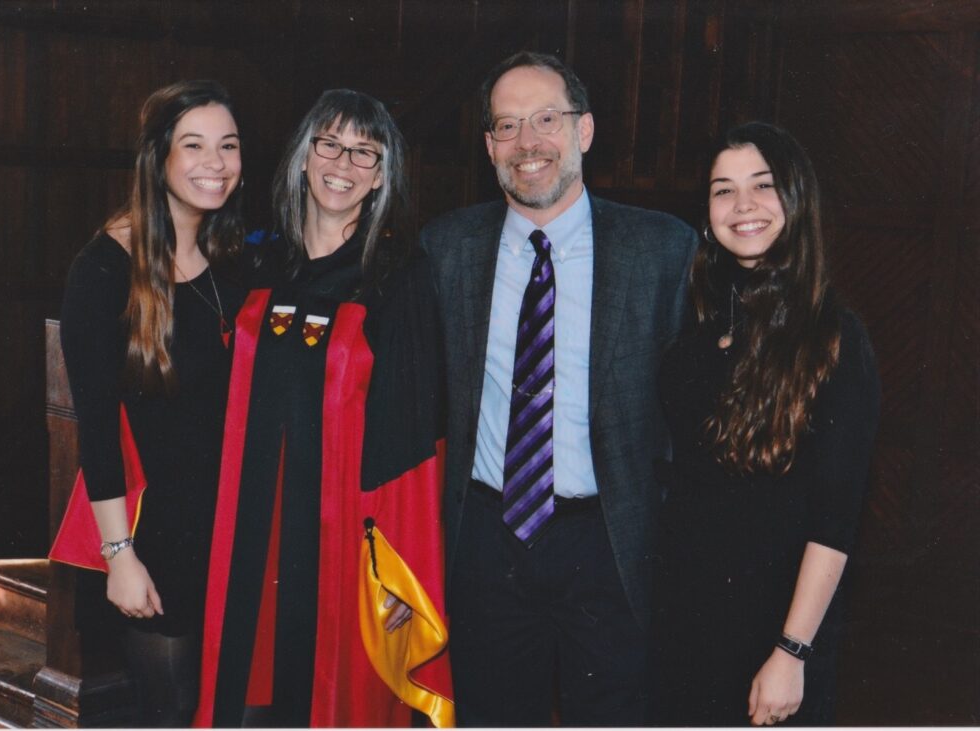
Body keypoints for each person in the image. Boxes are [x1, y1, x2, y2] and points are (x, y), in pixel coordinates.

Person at [420, 51, 697, 726]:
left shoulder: (663, 250)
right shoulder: (444, 249)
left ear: (585, 130)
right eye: (507, 126)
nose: (528, 143)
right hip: (488, 539)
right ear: (489, 147)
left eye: (547, 118)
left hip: (610, 540)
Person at [193, 89, 453, 728]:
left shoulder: (398, 276)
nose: (344, 162)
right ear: (304, 156)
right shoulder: (258, 260)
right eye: (330, 143)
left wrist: (400, 572)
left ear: (383, 175)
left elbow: (414, 441)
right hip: (247, 533)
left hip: (342, 539)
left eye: (366, 152)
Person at [653, 121, 881, 726]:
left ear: (797, 199)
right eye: (723, 189)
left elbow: (835, 521)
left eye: (763, 185)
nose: (743, 206)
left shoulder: (833, 337)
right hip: (685, 613)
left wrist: (791, 651)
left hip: (775, 627)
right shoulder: (698, 329)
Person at [54, 80, 245, 726]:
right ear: (158, 157)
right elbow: (97, 431)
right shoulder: (104, 268)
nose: (214, 163)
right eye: (193, 145)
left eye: (228, 145)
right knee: (170, 711)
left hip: (221, 526)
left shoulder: (227, 256)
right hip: (151, 538)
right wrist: (119, 558)